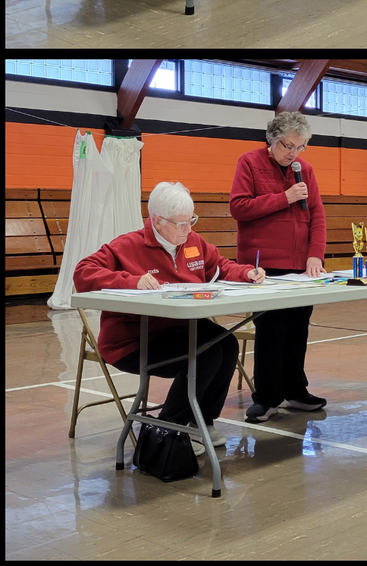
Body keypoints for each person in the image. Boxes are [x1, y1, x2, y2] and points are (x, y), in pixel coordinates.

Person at [74, 181, 265, 454]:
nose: (188, 229)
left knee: (227, 344)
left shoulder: (193, 242)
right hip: (134, 341)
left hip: (180, 331)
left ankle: (201, 422)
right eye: (180, 224)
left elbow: (221, 266)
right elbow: (83, 273)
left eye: (191, 221)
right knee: (205, 353)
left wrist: (246, 273)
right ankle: (169, 429)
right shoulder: (127, 246)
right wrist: (130, 281)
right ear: (157, 221)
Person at [229, 111, 327, 421]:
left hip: (300, 267)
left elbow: (318, 216)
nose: (294, 154)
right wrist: (283, 197)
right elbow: (239, 208)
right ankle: (268, 397)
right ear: (272, 139)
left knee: (298, 330)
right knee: (271, 331)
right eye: (288, 146)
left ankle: (295, 390)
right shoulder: (249, 162)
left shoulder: (304, 170)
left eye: (301, 147)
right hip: (263, 266)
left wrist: (315, 254)